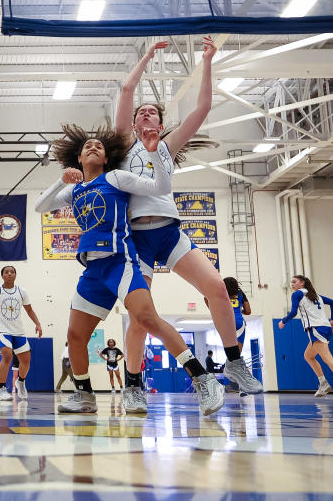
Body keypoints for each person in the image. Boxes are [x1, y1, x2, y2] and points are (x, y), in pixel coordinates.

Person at [110, 36, 263, 413]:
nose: (145, 113)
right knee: (139, 318)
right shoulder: (123, 145)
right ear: (132, 123)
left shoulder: (167, 146)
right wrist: (146, 55)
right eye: (140, 112)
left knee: (215, 287)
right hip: (138, 239)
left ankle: (234, 361)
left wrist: (208, 60)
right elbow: (128, 87)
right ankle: (133, 385)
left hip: (170, 232)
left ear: (160, 124)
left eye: (152, 112)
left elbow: (204, 106)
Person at [35, 124, 224, 416]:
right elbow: (40, 206)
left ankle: (204, 379)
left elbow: (161, 187)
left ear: (107, 158)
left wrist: (157, 152)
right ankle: (85, 396)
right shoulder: (74, 191)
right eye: (88, 146)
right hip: (92, 270)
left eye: (99, 145)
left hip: (120, 261)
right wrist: (60, 182)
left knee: (147, 318)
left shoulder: (116, 177)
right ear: (80, 159)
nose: (94, 147)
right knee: (75, 336)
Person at [278, 275, 333, 400]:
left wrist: (283, 321)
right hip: (325, 328)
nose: (292, 284)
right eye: (291, 282)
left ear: (302, 283)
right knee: (308, 356)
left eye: (294, 281)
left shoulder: (297, 294)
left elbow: (293, 312)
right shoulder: (316, 295)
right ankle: (323, 383)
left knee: (326, 357)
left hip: (316, 328)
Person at [0, 265, 43, 401]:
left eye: (12, 272)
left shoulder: (22, 291)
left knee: (26, 361)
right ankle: (1, 389)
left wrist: (37, 324)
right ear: (2, 275)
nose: (9, 274)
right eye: (6, 272)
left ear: (15, 275)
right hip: (3, 330)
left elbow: (29, 310)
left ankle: (20, 381)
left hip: (19, 331)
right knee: (7, 356)